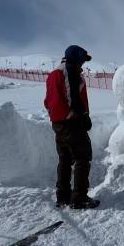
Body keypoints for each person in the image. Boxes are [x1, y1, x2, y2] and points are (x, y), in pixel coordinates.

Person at [44, 45, 99, 210]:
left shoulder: (54, 74)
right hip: (71, 124)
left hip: (59, 124)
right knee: (83, 157)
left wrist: (56, 117)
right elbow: (72, 97)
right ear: (76, 58)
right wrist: (82, 117)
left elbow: (48, 101)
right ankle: (79, 198)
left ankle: (63, 197)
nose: (83, 63)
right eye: (82, 59)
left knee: (65, 159)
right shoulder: (68, 71)